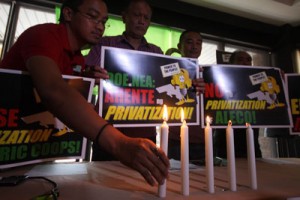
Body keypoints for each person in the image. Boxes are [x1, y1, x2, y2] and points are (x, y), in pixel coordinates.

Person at [0, 0, 169, 186]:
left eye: (104, 21)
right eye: (93, 17)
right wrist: (118, 143)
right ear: (68, 14)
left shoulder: (79, 59)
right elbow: (53, 89)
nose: (100, 26)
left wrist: (84, 80)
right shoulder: (43, 35)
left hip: (33, 150)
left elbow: (72, 97)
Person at [85, 0, 163, 161]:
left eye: (146, 18)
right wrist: (91, 75)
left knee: (140, 184)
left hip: (145, 132)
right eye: (136, 15)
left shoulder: (156, 52)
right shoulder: (105, 44)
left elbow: (168, 85)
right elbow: (83, 74)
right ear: (124, 17)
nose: (141, 20)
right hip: (109, 131)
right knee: (102, 181)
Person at [167, 30, 206, 164]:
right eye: (189, 42)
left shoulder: (207, 73)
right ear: (180, 46)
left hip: (203, 139)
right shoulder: (170, 70)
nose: (194, 47)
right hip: (176, 139)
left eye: (198, 43)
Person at [214, 50, 262, 158]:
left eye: (248, 60)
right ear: (231, 63)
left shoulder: (257, 84)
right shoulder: (220, 81)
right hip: (224, 145)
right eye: (240, 60)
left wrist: (279, 78)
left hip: (251, 144)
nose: (245, 63)